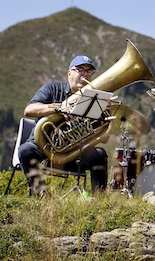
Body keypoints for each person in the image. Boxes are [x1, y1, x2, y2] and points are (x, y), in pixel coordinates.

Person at [17, 55, 109, 195]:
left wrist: (104, 118)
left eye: (89, 71)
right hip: (43, 150)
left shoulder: (92, 100)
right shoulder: (52, 89)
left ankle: (100, 200)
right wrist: (59, 107)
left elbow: (104, 139)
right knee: (25, 150)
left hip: (72, 154)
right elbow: (29, 110)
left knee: (99, 155)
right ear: (69, 73)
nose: (85, 74)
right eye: (80, 69)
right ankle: (40, 195)